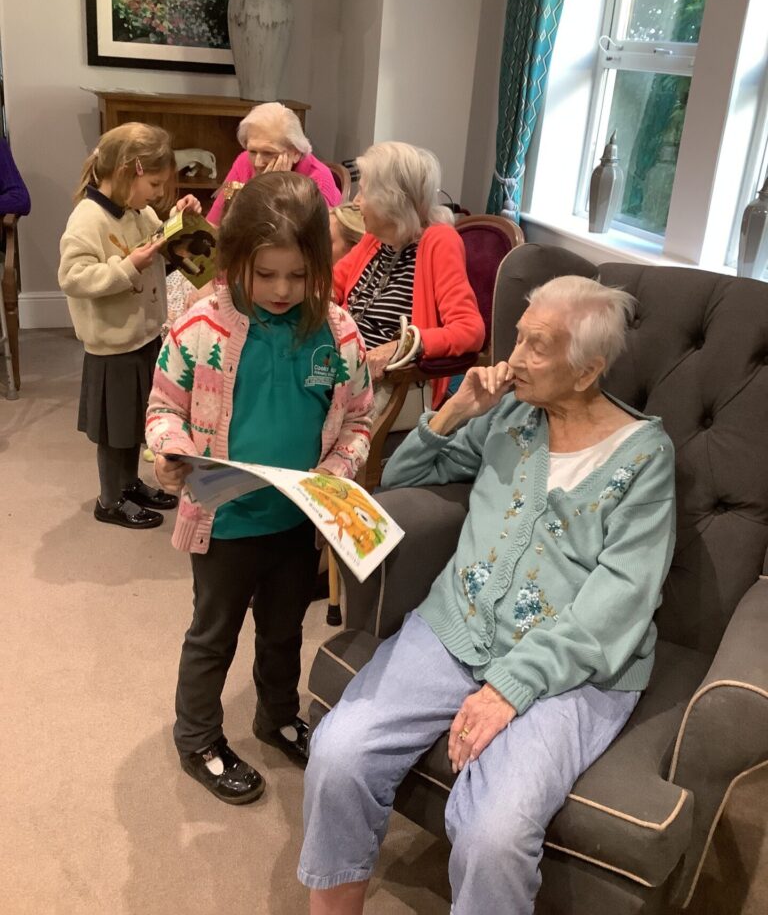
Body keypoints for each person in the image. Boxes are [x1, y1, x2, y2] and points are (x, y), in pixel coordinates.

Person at [299, 275, 676, 914]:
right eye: (517, 338)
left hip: (572, 669)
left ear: (587, 370)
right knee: (338, 753)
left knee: (494, 836)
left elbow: (622, 598)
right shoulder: (510, 413)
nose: (514, 358)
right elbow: (403, 478)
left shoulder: (644, 457)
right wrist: (456, 412)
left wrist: (510, 687)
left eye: (537, 346)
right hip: (458, 625)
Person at [145, 171, 374, 805]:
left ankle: (276, 716)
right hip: (224, 523)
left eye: (298, 276)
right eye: (265, 273)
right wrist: (171, 450)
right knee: (212, 635)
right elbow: (163, 407)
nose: (280, 289)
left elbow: (359, 419)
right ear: (235, 260)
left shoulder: (338, 334)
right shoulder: (199, 328)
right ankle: (197, 738)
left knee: (283, 630)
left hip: (297, 521)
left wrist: (336, 474)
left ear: (319, 267)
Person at [58, 122, 200, 530]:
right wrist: (127, 267)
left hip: (143, 335)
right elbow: (72, 277)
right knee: (113, 431)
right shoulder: (88, 219)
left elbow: (158, 244)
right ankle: (109, 499)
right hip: (112, 347)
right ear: (128, 170)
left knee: (134, 422)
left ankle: (129, 482)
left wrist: (179, 220)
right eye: (154, 184)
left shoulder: (140, 212)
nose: (158, 193)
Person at [333, 141, 484, 415]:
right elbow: (332, 284)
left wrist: (401, 347)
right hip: (344, 366)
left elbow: (469, 330)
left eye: (363, 192)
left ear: (389, 200)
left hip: (392, 385)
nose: (356, 202)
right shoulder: (376, 238)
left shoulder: (439, 241)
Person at [206, 102, 341, 227]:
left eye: (268, 153)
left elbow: (309, 241)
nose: (258, 162)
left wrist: (271, 189)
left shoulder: (318, 180)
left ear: (295, 152)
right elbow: (215, 223)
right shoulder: (244, 161)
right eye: (252, 151)